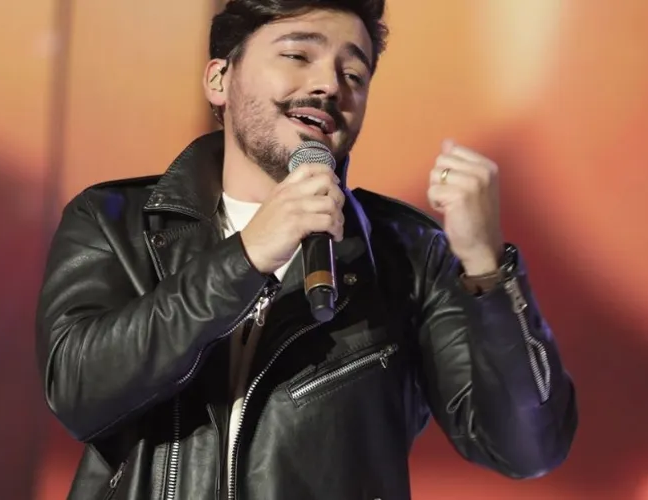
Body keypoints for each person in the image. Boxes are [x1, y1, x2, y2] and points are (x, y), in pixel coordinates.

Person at [36, 0, 578, 498]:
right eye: (298, 55)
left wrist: (486, 268)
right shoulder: (116, 222)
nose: (328, 86)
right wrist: (247, 256)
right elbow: (78, 390)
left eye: (353, 74)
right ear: (220, 79)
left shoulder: (407, 256)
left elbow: (527, 448)